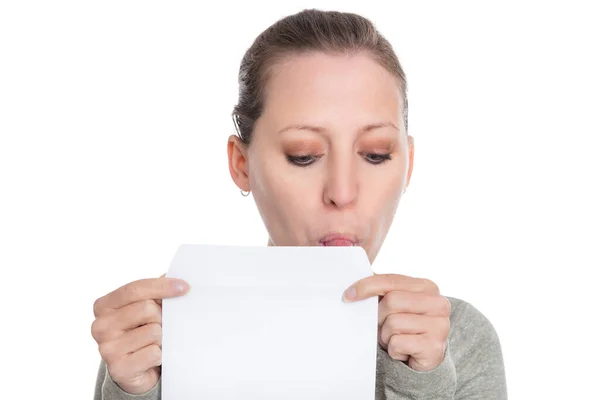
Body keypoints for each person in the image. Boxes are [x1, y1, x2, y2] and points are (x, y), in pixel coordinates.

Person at [91, 9, 507, 400]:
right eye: (304, 155)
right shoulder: (157, 339)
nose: (342, 193)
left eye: (376, 154)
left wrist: (422, 384)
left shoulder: (457, 342)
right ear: (241, 164)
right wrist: (137, 392)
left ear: (409, 164)